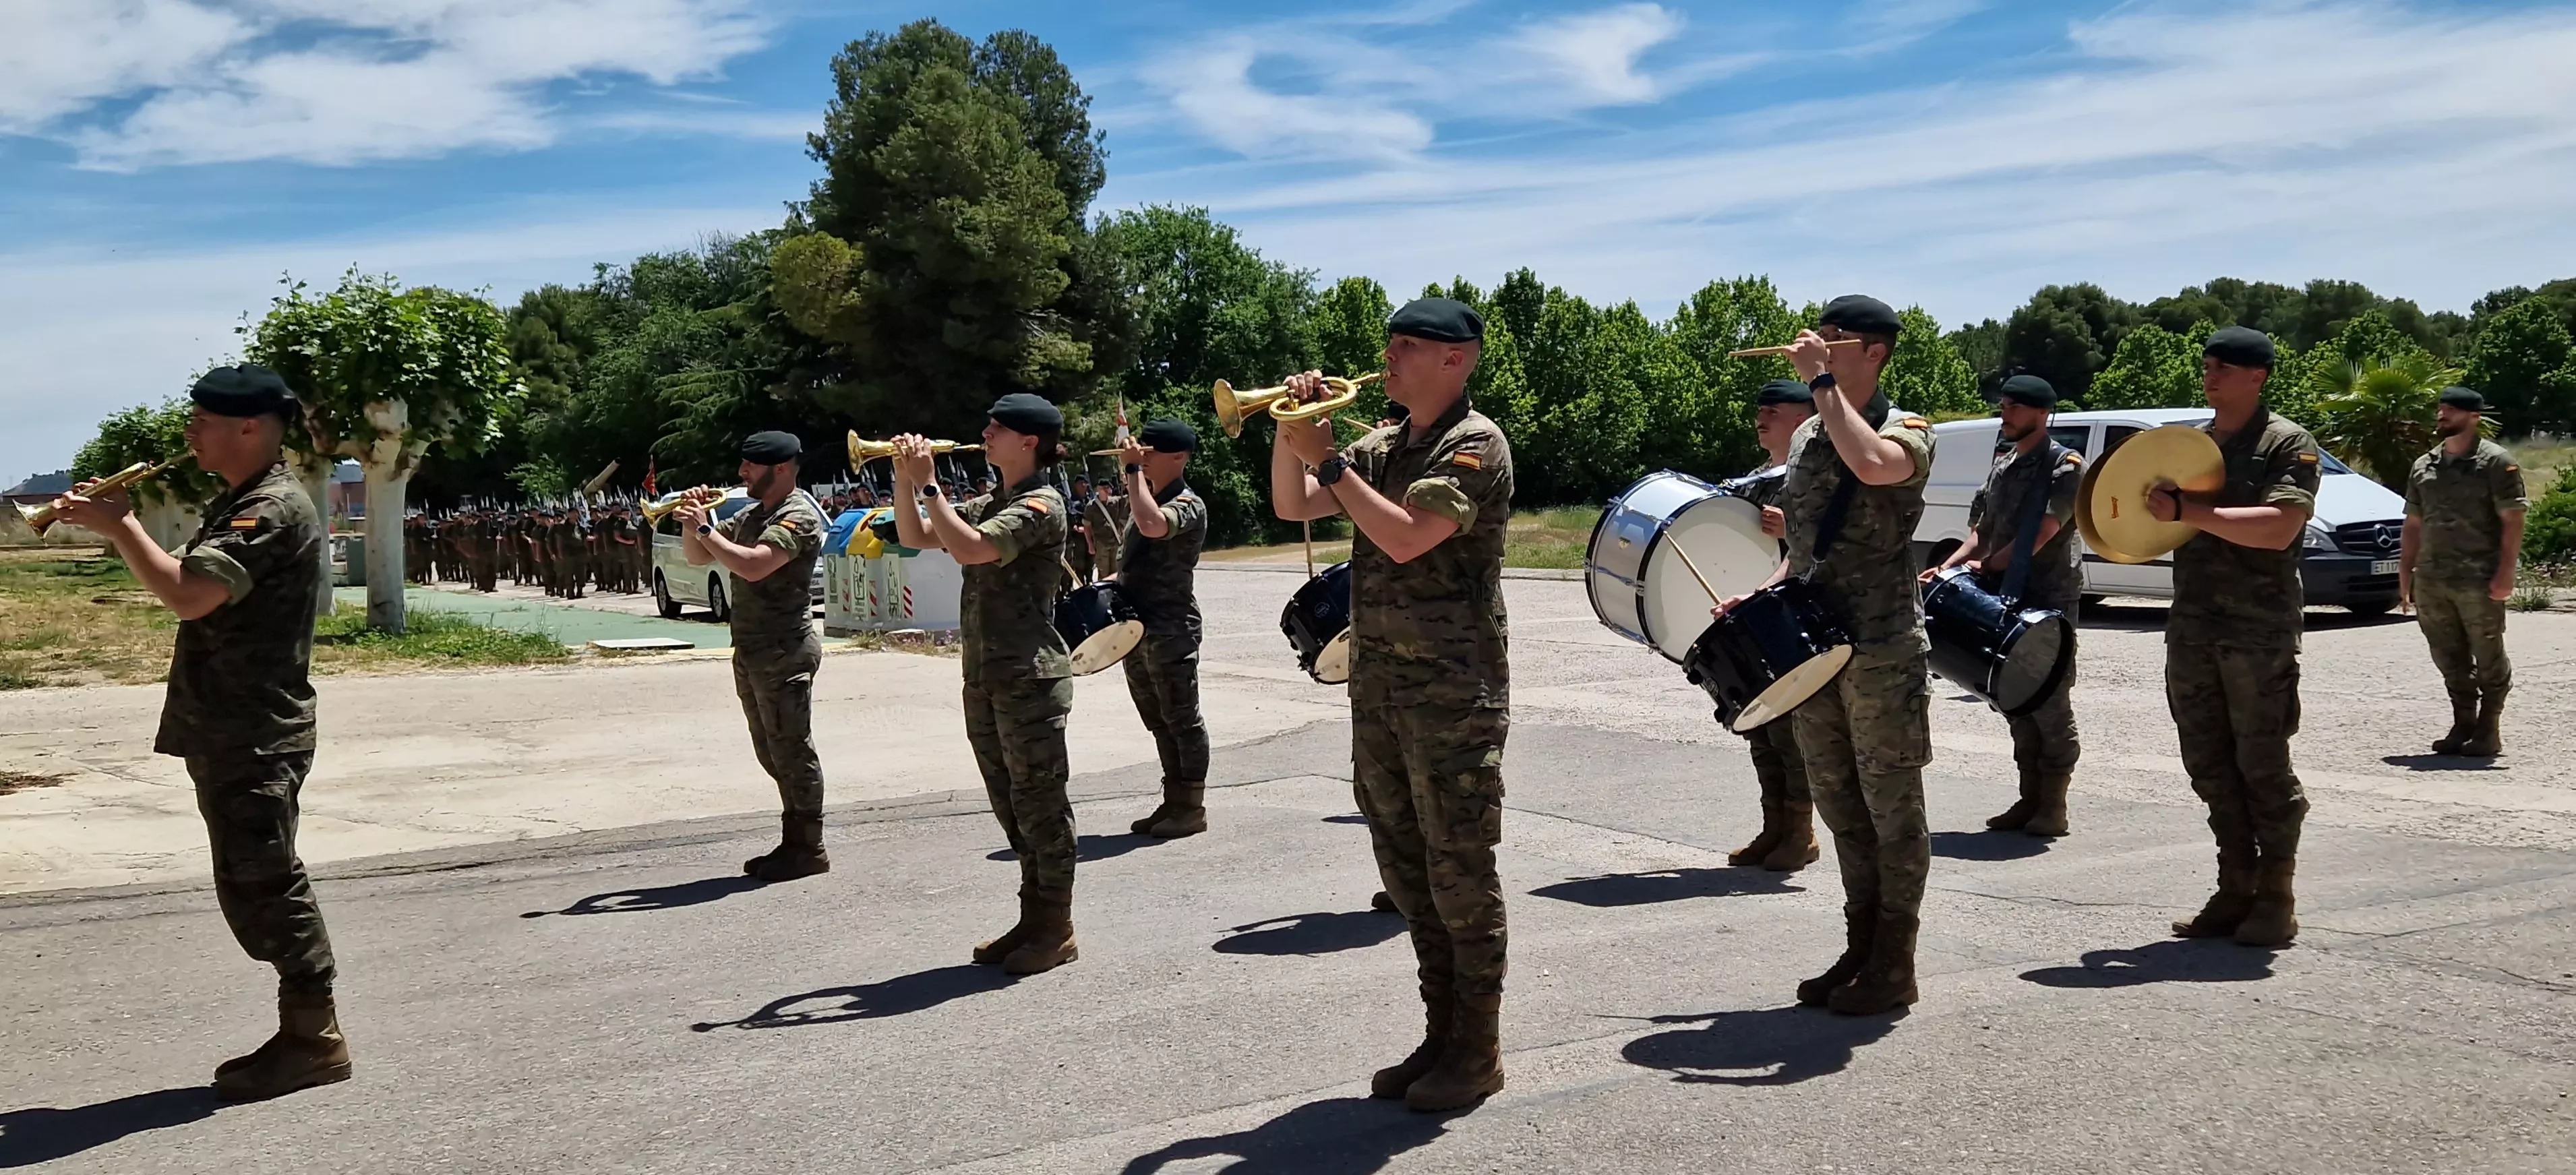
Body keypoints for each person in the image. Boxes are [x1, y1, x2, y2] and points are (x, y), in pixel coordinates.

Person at [51, 365, 348, 1101]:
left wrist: (119, 524)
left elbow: (189, 595)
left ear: (249, 427)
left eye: (202, 421)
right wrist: (117, 527)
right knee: (249, 882)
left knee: (268, 882)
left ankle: (315, 1038)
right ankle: (305, 1032)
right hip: (232, 725)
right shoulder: (241, 501)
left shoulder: (269, 508)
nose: (189, 434)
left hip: (254, 728)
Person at [1271, 297, 1514, 1112]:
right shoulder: (1380, 443)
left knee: (1459, 874)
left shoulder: (1473, 445)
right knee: (1407, 873)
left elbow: (1409, 536)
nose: (1389, 356)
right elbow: (1292, 506)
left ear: (1457, 358)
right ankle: (1439, 1034)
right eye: (1389, 343)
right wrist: (1289, 428)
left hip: (1453, 692)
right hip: (1381, 693)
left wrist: (1331, 463)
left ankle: (1475, 1051)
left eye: (1407, 346)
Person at [1718, 295, 1936, 1016]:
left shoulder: (1906, 428)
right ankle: (1861, 943)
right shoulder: (1813, 431)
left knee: (1890, 808)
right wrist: (1761, 594)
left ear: (1873, 352)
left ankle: (1895, 963)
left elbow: (1874, 468)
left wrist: (1820, 384)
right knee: (1842, 806)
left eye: (1833, 338)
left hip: (1879, 646)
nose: (1814, 342)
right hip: (1815, 643)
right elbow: (1805, 544)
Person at [889, 395, 1082, 975]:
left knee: (1041, 806)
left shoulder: (1040, 503)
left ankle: (1056, 927)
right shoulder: (993, 499)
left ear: (1029, 441)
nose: (985, 433)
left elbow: (973, 549)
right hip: (988, 674)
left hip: (1030, 675)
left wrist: (929, 485)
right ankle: (1032, 919)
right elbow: (916, 535)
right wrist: (905, 481)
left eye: (998, 428)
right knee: (1011, 807)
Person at [2150, 327, 2318, 948]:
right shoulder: (2191, 445)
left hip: (2257, 628)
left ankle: (2276, 895)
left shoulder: (2287, 443)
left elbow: (2279, 527)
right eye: (2207, 365)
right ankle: (2235, 884)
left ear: (2258, 376)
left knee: (2262, 763)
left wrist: (2187, 512)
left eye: (2223, 366)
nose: (2209, 374)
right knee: (2209, 763)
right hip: (2193, 626)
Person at [1923, 374, 2085, 836]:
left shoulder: (2064, 466)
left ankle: (2051, 804)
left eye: (2015, 406)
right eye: (2003, 405)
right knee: (2012, 695)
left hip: (2046, 596)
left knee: (2049, 700)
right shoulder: (2004, 464)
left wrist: (1984, 566)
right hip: (2002, 594)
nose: (2005, 413)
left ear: (2042, 413)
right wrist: (1950, 567)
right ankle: (2027, 798)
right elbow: (1979, 529)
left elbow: (2043, 532)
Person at [678, 432, 831, 881]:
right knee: (770, 750)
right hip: (752, 647)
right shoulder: (752, 514)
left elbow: (753, 564)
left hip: (785, 647)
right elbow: (694, 556)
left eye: (751, 465)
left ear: (780, 468)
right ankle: (794, 840)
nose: (742, 472)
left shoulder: (798, 515)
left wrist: (707, 528)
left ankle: (808, 846)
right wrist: (693, 522)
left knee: (792, 749)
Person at [1726, 378, 1821, 872]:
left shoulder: (1814, 472)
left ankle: (1801, 831)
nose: (1761, 418)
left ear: (1806, 414)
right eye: (1759, 410)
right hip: (1754, 611)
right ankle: (1774, 826)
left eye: (1774, 411)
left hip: (1795, 612)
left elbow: (1836, 536)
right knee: (1760, 726)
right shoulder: (1756, 476)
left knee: (1789, 731)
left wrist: (1793, 528)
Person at [2401, 386, 2525, 757]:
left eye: (2451, 411)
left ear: (2474, 417)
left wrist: (2506, 573)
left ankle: (2489, 728)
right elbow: (2413, 523)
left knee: (2488, 654)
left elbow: (2513, 520)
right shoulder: (2424, 465)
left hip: (2478, 578)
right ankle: (2464, 723)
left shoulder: (2496, 463)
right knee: (2447, 655)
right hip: (2433, 579)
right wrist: (2405, 572)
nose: (2442, 416)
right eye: (2440, 410)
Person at [1114, 420, 1214, 839]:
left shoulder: (1188, 503)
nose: (1144, 457)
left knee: (1181, 718)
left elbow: (1156, 525)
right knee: (1157, 719)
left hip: (1171, 625)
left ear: (1178, 456)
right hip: (1139, 626)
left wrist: (1134, 472)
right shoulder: (1146, 497)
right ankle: (1173, 799)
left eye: (1151, 452)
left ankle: (1191, 806)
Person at [1085, 479, 1127, 584]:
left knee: (1116, 573)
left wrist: (1126, 482)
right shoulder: (1091, 507)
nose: (1107, 490)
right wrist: (1090, 544)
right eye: (1104, 488)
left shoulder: (1115, 502)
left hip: (1115, 542)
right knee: (1104, 574)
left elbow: (1130, 498)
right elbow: (1087, 527)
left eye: (1108, 488)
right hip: (1101, 543)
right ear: (1098, 489)